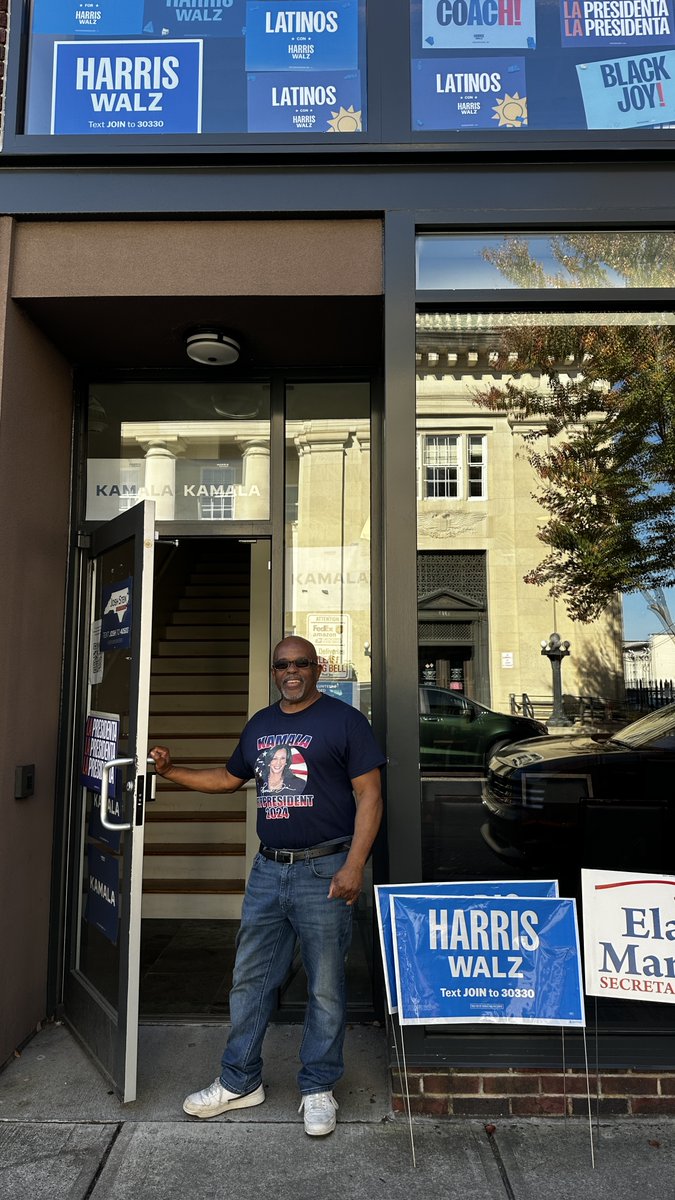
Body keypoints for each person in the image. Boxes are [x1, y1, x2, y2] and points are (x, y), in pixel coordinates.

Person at [150, 635, 385, 1137]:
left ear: (317, 668)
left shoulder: (346, 722)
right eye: (282, 665)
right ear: (273, 671)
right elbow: (227, 779)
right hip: (268, 870)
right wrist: (170, 772)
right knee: (250, 979)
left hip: (325, 869)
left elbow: (370, 795)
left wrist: (354, 865)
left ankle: (318, 1087)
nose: (291, 671)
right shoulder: (260, 725)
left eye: (301, 663)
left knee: (325, 986)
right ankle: (240, 1081)